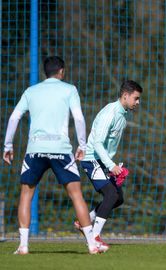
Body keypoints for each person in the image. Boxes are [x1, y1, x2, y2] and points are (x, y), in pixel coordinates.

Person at [3, 56, 100, 254]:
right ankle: (91, 244)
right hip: (61, 149)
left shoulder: (31, 91)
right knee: (76, 195)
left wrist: (8, 145)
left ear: (45, 72)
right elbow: (79, 118)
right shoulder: (69, 89)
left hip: (35, 149)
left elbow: (14, 117)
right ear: (62, 72)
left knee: (26, 195)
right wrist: (82, 145)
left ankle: (23, 246)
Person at [76, 80, 142, 252]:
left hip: (102, 161)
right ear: (125, 96)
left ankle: (84, 220)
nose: (138, 102)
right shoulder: (110, 113)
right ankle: (95, 237)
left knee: (118, 198)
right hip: (91, 159)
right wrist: (111, 165)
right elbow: (97, 143)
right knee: (111, 194)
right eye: (136, 98)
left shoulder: (124, 114)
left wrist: (111, 163)